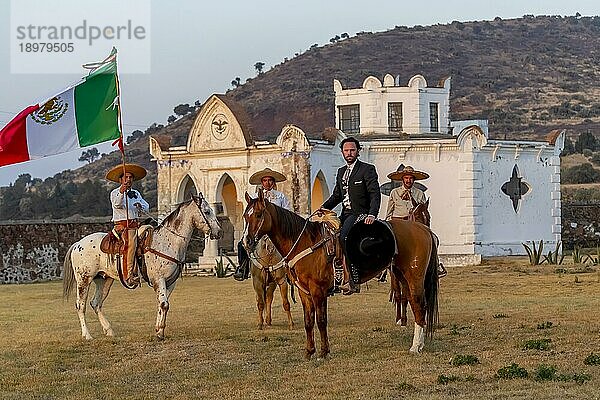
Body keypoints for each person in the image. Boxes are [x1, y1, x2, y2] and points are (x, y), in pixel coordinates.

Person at [321, 137, 381, 295]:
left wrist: (372, 214)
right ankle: (334, 277)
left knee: (344, 237)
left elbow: (375, 194)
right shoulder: (341, 171)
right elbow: (336, 196)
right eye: (346, 150)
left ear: (358, 151)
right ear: (342, 152)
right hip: (345, 214)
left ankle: (352, 279)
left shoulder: (367, 169)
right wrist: (322, 208)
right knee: (327, 237)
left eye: (352, 150)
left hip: (360, 213)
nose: (349, 153)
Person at [385, 165, 447, 277]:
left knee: (433, 239)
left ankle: (436, 264)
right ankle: (383, 268)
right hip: (398, 223)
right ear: (402, 179)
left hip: (415, 224)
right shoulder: (394, 192)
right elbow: (389, 211)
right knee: (387, 241)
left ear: (413, 179)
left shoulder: (419, 193)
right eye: (406, 178)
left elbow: (424, 211)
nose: (408, 180)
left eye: (410, 178)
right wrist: (387, 222)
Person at [233, 168, 291, 281]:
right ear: (262, 182)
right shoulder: (254, 197)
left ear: (273, 182)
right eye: (265, 180)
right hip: (259, 230)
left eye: (270, 180)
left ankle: (290, 271)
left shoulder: (280, 196)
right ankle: (243, 268)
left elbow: (287, 213)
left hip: (277, 231)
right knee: (242, 245)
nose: (267, 183)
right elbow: (250, 216)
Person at [106, 163, 150, 287]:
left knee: (150, 232)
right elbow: (117, 204)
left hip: (135, 225)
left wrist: (141, 206)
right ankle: (129, 275)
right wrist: (122, 191)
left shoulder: (136, 193)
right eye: (126, 177)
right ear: (121, 180)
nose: (128, 179)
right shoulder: (115, 193)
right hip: (122, 227)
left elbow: (146, 207)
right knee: (131, 244)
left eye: (130, 177)